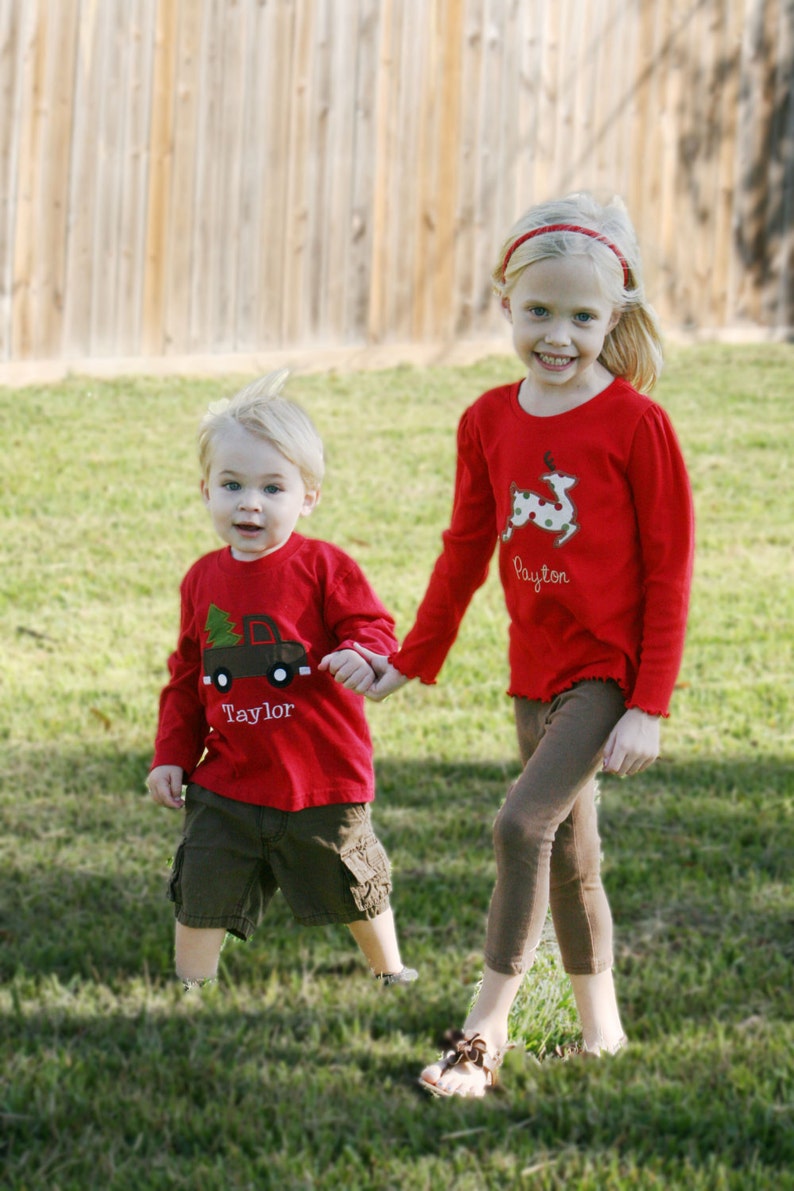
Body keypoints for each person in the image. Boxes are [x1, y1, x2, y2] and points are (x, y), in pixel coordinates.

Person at [349, 192, 694, 1096]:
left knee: (520, 824)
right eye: (539, 310)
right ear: (505, 303)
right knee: (574, 857)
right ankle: (603, 1034)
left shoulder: (637, 425)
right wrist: (411, 657)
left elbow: (671, 572)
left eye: (583, 317)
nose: (558, 334)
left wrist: (648, 704)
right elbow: (466, 550)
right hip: (532, 673)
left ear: (612, 316)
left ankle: (481, 1035)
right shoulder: (488, 421)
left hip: (605, 672)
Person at [148, 371, 416, 992]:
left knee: (354, 879)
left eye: (273, 488)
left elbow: (376, 628)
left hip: (320, 776)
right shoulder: (201, 581)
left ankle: (390, 971)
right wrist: (172, 755)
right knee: (203, 876)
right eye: (232, 485)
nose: (250, 503)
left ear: (308, 498)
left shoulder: (324, 568)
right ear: (206, 490)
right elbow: (188, 678)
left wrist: (363, 654)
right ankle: (192, 987)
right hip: (229, 777)